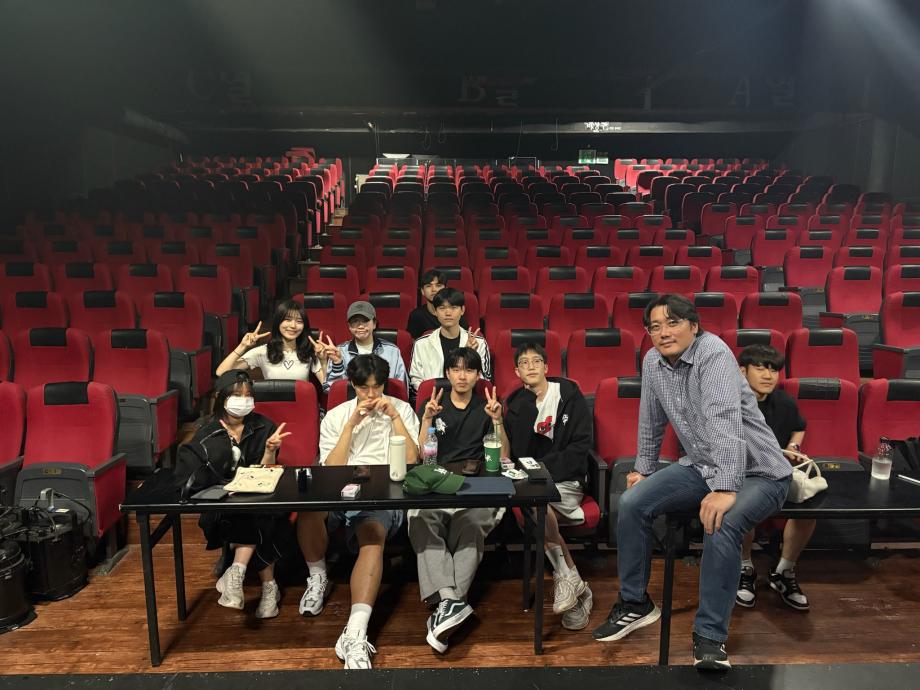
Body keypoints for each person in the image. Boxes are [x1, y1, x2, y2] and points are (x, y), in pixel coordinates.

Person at [593, 294, 792, 671]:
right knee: (632, 502)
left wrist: (726, 488)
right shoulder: (652, 361)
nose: (663, 333)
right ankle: (635, 603)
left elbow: (723, 420)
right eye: (654, 327)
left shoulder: (712, 353)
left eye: (673, 323)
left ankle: (710, 635)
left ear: (694, 326)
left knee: (722, 521)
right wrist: (644, 469)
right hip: (703, 466)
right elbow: (650, 419)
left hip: (759, 471)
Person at [296, 354, 420, 669]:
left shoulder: (402, 409)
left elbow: (412, 459)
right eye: (364, 388)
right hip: (339, 487)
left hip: (383, 491)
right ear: (353, 385)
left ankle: (355, 631)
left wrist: (394, 417)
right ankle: (318, 577)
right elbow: (330, 467)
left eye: (377, 387)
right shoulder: (337, 415)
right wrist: (352, 424)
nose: (371, 395)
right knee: (309, 512)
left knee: (372, 537)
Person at [407, 347, 508, 653]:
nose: (462, 376)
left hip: (476, 485)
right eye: (456, 369)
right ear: (447, 374)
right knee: (419, 519)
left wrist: (497, 421)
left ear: (478, 375)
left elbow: (504, 458)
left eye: (469, 370)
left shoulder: (487, 407)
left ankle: (447, 605)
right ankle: (452, 602)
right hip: (438, 482)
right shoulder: (433, 405)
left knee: (471, 524)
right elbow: (420, 456)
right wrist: (426, 419)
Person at [184, 370, 292, 619]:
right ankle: (268, 586)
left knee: (259, 512)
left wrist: (269, 450)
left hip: (259, 497)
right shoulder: (207, 431)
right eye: (237, 395)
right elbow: (202, 476)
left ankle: (237, 572)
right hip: (221, 503)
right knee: (253, 516)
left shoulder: (264, 426)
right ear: (223, 398)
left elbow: (265, 472)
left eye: (248, 395)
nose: (243, 400)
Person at [503, 341, 595, 631]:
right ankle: (572, 580)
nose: (530, 366)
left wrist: (541, 469)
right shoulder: (517, 405)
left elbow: (580, 447)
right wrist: (528, 408)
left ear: (547, 367)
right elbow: (519, 454)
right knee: (536, 502)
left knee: (534, 504)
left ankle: (570, 581)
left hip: (567, 480)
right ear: (517, 371)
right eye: (524, 363)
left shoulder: (569, 395)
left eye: (536, 361)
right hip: (535, 484)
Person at [736, 344, 814, 612]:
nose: (768, 376)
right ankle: (745, 567)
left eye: (773, 370)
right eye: (760, 368)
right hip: (745, 473)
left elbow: (799, 427)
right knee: (742, 502)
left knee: (809, 505)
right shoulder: (731, 401)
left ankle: (784, 570)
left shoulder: (784, 402)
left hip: (778, 473)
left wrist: (793, 448)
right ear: (742, 371)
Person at [216, 299, 333, 385]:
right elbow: (221, 372)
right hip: (271, 406)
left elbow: (327, 386)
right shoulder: (263, 352)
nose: (293, 326)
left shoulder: (309, 351)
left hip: (301, 406)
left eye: (299, 321)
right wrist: (242, 346)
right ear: (278, 322)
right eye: (287, 320)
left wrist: (323, 361)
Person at [408, 287, 490, 397]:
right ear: (435, 311)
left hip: (468, 400)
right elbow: (415, 380)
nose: (448, 313)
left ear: (462, 310)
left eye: (453, 307)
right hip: (431, 401)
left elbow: (484, 381)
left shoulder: (479, 342)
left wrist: (469, 354)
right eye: (442, 308)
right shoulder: (421, 344)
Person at [325, 300, 408, 391]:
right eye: (355, 321)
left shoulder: (392, 351)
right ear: (349, 326)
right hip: (352, 400)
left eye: (365, 321)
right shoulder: (339, 351)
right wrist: (337, 363)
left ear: (374, 324)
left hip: (385, 399)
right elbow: (332, 391)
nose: (360, 326)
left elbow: (402, 389)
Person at [406, 268, 468, 338]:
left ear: (445, 289)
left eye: (438, 285)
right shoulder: (416, 316)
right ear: (422, 291)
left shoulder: (455, 313)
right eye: (429, 286)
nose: (434, 290)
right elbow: (412, 341)